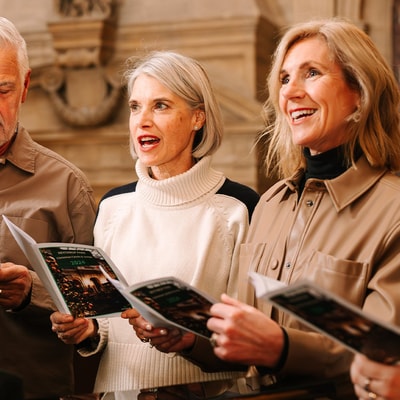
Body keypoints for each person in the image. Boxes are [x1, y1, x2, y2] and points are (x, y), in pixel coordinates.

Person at [183, 17, 400, 399]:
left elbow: (388, 359)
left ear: (360, 93)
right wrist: (188, 340)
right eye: (284, 79)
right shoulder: (269, 204)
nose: (291, 92)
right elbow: (243, 345)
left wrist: (284, 347)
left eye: (311, 73)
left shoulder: (393, 208)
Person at [50, 50, 260, 395]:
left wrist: (182, 336)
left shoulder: (239, 207)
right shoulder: (113, 206)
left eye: (160, 105)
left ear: (198, 118)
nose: (142, 120)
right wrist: (86, 331)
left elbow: (248, 338)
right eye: (135, 107)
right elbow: (106, 324)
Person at [0, 17, 97, 399]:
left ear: (24, 87)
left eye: (2, 90)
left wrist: (31, 291)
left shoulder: (67, 186)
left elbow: (98, 306)